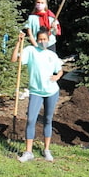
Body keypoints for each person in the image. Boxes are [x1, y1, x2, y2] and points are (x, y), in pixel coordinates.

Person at [11, 28, 63, 162]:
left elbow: (60, 70)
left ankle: (46, 150)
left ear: (48, 40)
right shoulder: (30, 51)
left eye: (44, 39)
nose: (42, 41)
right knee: (31, 119)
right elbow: (13, 60)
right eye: (40, 39)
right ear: (36, 39)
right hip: (35, 91)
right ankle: (28, 152)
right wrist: (18, 42)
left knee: (47, 119)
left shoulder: (52, 55)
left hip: (51, 91)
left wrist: (57, 77)